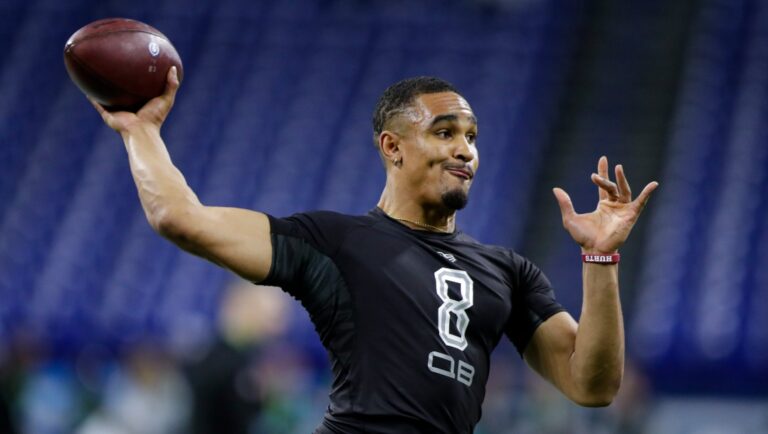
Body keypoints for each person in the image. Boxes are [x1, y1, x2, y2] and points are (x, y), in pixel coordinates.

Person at [90, 67, 658, 434]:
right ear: (393, 147)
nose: (465, 150)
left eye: (471, 137)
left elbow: (593, 385)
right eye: (444, 133)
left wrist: (600, 258)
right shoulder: (333, 243)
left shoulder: (509, 272)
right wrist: (141, 132)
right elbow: (181, 218)